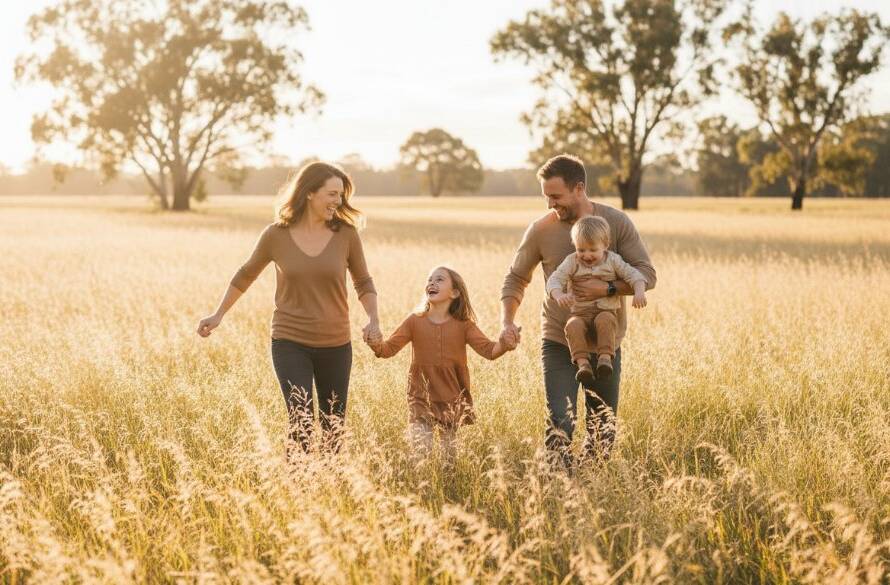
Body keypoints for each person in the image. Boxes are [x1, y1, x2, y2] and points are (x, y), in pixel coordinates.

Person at [196, 161, 381, 456]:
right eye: (332, 194)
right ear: (310, 193)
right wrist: (218, 314)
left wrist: (373, 319)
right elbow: (246, 274)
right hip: (289, 341)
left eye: (341, 195)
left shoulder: (346, 235)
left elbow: (364, 282)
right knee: (301, 420)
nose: (338, 201)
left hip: (336, 343)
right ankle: (299, 487)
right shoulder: (275, 235)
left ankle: (333, 487)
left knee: (334, 424)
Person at [500, 154, 656, 466]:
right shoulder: (541, 230)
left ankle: (590, 486)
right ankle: (559, 490)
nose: (549, 205)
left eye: (555, 196)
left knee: (603, 427)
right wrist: (507, 321)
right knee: (561, 421)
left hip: (605, 343)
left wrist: (608, 289)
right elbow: (516, 278)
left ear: (579, 188)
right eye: (545, 197)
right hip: (559, 339)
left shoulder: (616, 222)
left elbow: (646, 275)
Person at [367, 266, 516, 460]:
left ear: (454, 292)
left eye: (439, 279)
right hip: (421, 396)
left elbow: (489, 351)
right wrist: (375, 343)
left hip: (451, 397)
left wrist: (505, 344)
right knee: (421, 453)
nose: (432, 283)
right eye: (429, 279)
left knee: (449, 459)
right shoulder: (414, 321)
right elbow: (387, 350)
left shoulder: (464, 325)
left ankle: (447, 486)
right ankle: (421, 489)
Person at [546, 215, 648, 385]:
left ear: (605, 245)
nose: (586, 255)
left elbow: (634, 275)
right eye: (581, 250)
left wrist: (639, 292)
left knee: (606, 320)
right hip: (580, 313)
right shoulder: (572, 261)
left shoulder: (613, 260)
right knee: (572, 325)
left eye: (593, 250)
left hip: (605, 310)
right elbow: (555, 279)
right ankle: (583, 364)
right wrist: (559, 295)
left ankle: (605, 359)